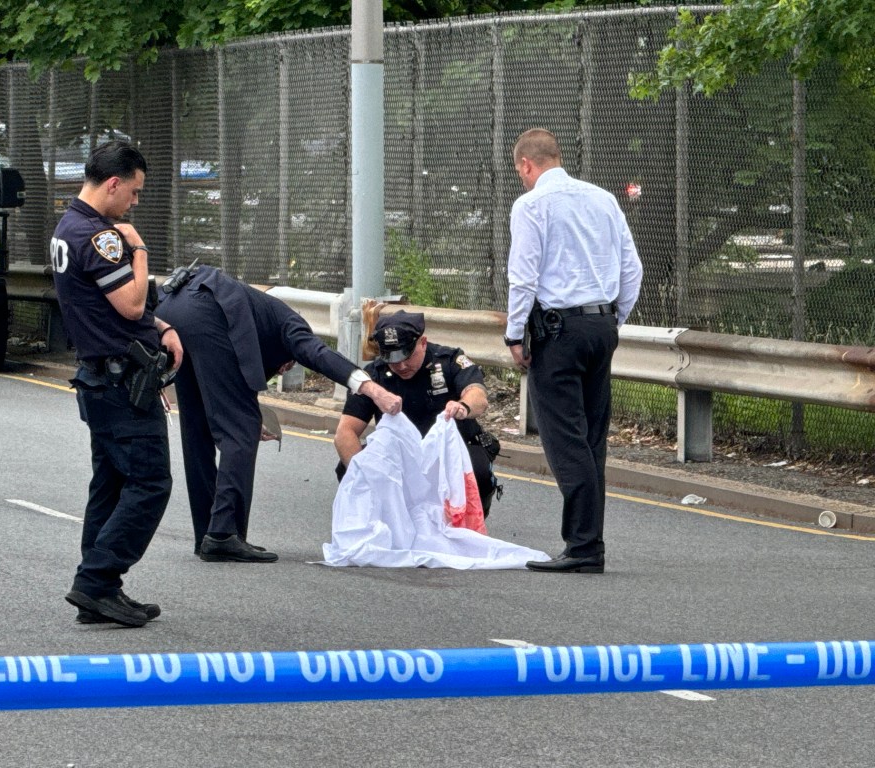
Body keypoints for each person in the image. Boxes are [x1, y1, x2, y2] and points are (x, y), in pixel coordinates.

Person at [154, 264, 403, 563]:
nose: (282, 369)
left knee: (197, 430)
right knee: (241, 429)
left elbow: (225, 389)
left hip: (169, 308)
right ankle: (222, 534)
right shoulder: (291, 327)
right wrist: (370, 388)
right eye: (285, 365)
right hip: (208, 308)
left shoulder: (262, 320)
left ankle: (206, 534)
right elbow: (320, 354)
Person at [50, 140, 183, 626]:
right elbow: (129, 305)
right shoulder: (101, 236)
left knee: (110, 483)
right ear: (112, 184)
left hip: (101, 379)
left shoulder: (68, 227)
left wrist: (162, 327)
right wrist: (139, 247)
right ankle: (96, 580)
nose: (134, 203)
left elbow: (119, 313)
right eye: (133, 192)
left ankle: (100, 588)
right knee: (150, 482)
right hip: (121, 383)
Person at [505, 128, 643, 574]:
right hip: (601, 326)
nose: (522, 180)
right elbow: (632, 267)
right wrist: (613, 319)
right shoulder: (604, 199)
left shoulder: (531, 206)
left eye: (520, 172)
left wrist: (514, 335)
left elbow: (524, 277)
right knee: (591, 438)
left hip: (558, 332)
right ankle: (589, 543)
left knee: (566, 439)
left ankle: (583, 548)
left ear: (527, 164)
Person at [334, 310, 502, 518]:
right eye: (393, 359)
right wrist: (363, 474)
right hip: (401, 453)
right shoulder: (374, 376)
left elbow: (478, 396)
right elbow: (345, 432)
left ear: (422, 342)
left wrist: (463, 407)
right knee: (347, 468)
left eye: (407, 356)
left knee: (479, 471)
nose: (402, 366)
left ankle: (469, 521)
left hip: (453, 449)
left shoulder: (449, 360)